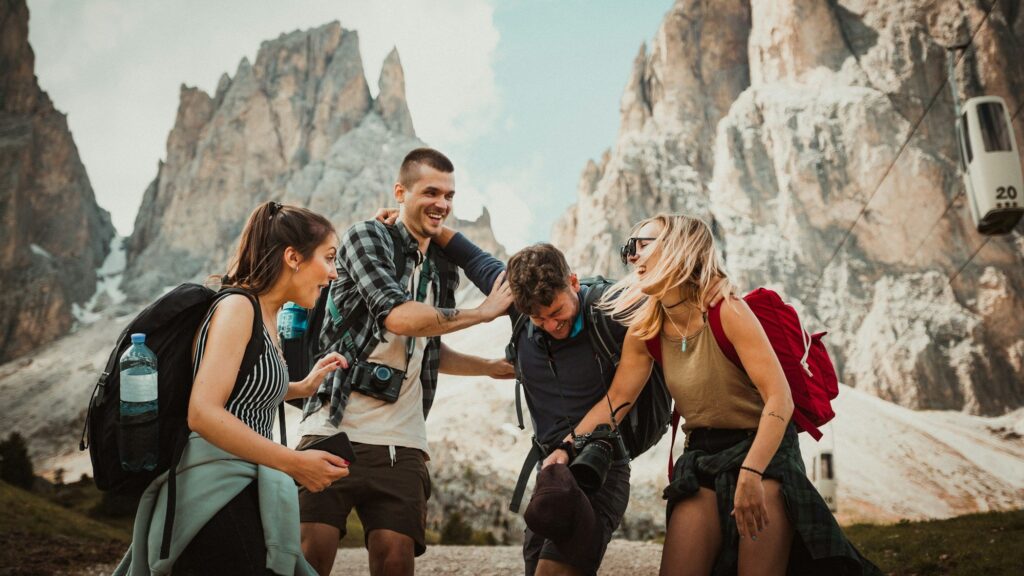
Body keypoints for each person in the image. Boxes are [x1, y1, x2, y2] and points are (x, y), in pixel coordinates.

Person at [569, 213, 881, 575]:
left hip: (763, 453)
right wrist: (564, 448)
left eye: (642, 245)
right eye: (628, 249)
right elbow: (616, 400)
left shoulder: (727, 311)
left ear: (678, 247)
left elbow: (780, 398)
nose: (631, 257)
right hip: (701, 455)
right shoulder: (646, 329)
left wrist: (752, 472)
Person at [431, 227, 727, 576]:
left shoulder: (612, 308)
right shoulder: (519, 302)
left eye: (556, 312)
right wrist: (419, 223)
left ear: (573, 282)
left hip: (599, 467)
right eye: (538, 319)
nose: (550, 325)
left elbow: (681, 294)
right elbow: (470, 255)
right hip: (552, 472)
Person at [297, 148, 514, 576]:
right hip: (334, 425)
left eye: (449, 195)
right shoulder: (366, 238)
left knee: (396, 560)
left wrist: (488, 367)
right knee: (309, 556)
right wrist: (482, 313)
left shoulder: (443, 267)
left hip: (404, 440)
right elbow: (397, 316)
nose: (443, 203)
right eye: (430, 191)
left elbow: (429, 346)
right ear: (400, 191)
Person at [115, 201, 352, 575]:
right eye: (328, 258)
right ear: (293, 257)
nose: (334, 273)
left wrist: (301, 386)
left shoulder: (267, 316)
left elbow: (242, 388)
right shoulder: (238, 308)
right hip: (214, 489)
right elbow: (204, 413)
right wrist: (295, 464)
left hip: (244, 481)